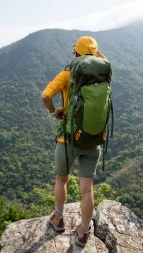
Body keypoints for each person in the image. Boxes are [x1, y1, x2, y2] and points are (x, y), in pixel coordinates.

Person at [40, 36, 108, 247]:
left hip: (69, 139)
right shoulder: (103, 76)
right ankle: (83, 231)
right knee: (87, 189)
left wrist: (55, 111)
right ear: (95, 55)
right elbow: (105, 61)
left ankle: (59, 219)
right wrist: (95, 54)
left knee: (62, 180)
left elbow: (45, 96)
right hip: (94, 138)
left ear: (76, 54)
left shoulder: (67, 74)